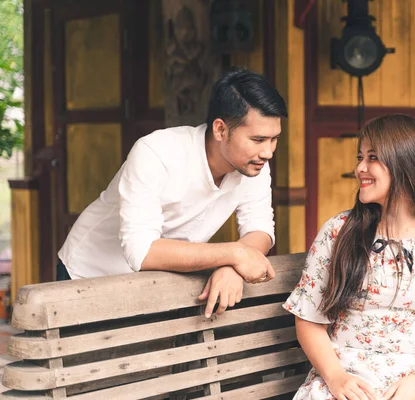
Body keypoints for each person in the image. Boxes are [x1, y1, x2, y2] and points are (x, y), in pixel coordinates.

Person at [284, 114, 415, 400]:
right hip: (345, 376)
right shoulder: (339, 231)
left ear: (408, 162)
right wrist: (336, 378)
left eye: (373, 157)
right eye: (360, 157)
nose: (360, 168)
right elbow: (309, 317)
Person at [57, 68, 287, 318]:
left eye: (274, 139)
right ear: (220, 130)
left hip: (157, 285)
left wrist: (232, 267)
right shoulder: (156, 152)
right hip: (89, 276)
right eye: (258, 139)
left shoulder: (254, 165)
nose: (268, 152)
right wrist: (235, 253)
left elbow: (260, 228)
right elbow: (141, 252)